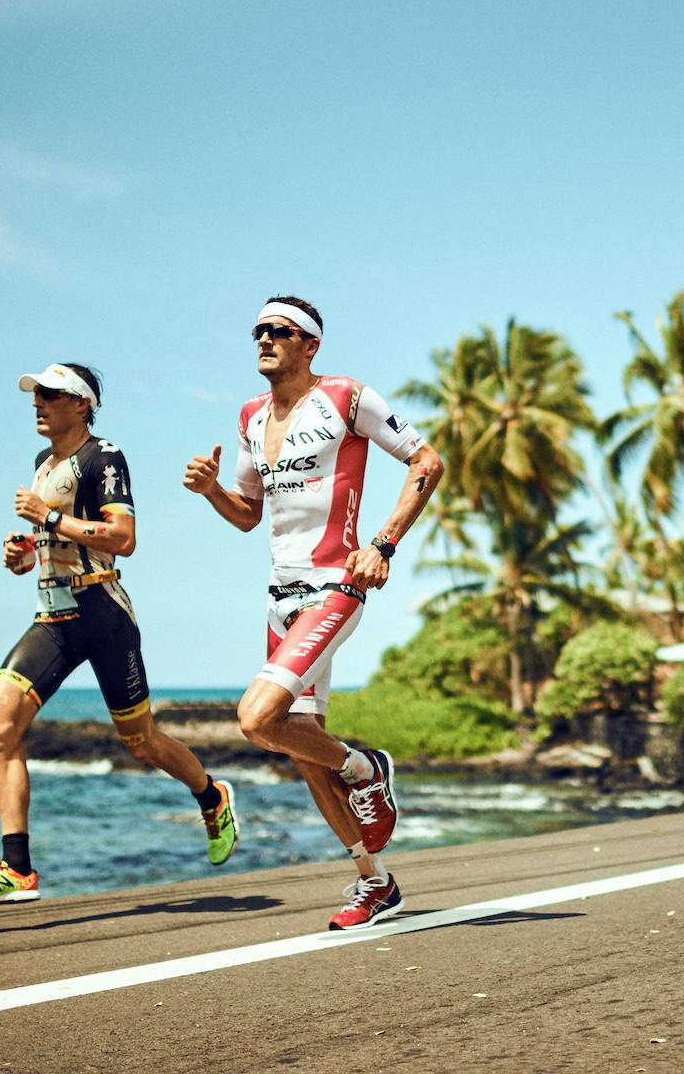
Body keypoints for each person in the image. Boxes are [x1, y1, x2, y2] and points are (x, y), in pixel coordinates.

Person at [184, 297, 443, 930]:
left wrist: (381, 545)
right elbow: (248, 514)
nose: (266, 339)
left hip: (336, 584)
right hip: (280, 596)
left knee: (255, 719)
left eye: (281, 331)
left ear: (310, 346)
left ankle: (365, 767)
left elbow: (426, 462)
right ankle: (375, 882)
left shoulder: (347, 397)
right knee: (302, 750)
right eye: (259, 331)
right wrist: (212, 489)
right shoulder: (250, 416)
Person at [0, 363, 239, 906]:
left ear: (82, 404)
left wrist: (49, 520)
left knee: (142, 744)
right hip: (52, 618)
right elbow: (46, 541)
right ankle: (16, 870)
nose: (38, 403)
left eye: (51, 395)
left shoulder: (103, 457)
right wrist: (21, 552)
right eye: (35, 395)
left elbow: (123, 538)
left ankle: (211, 796)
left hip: (102, 612)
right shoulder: (44, 464)